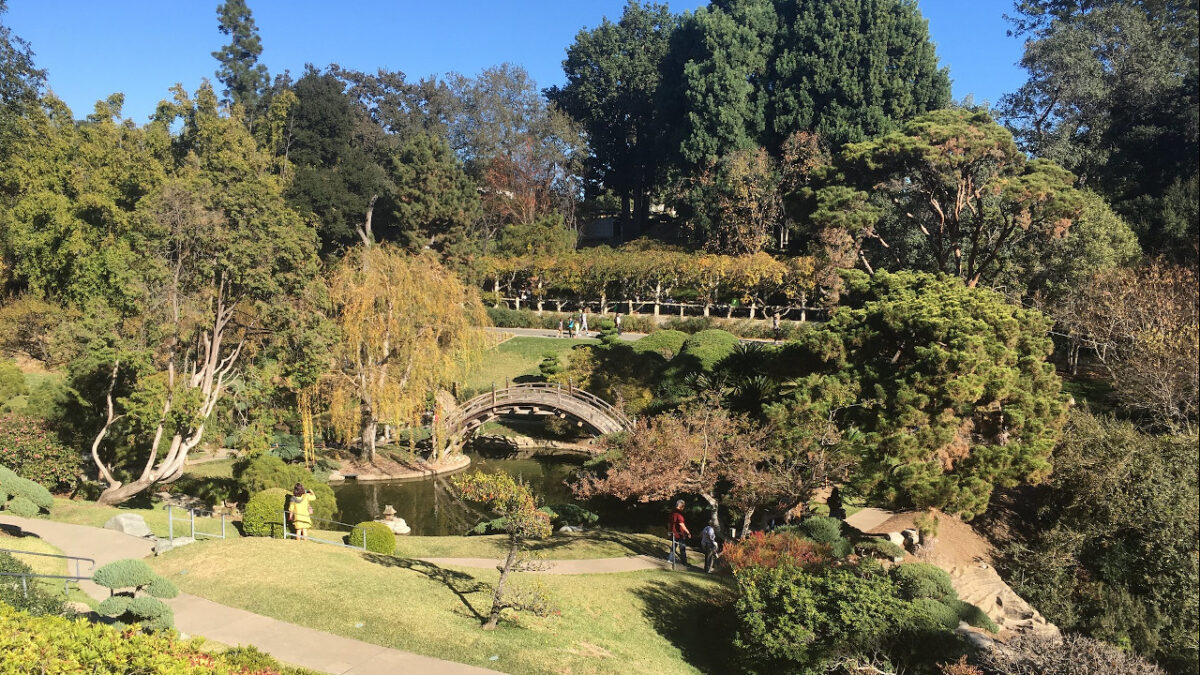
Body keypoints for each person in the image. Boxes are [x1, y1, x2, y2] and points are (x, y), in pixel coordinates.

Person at [667, 500, 690, 568]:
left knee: (674, 546)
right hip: (679, 533)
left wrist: (669, 531)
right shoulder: (679, 513)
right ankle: (684, 563)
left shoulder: (672, 512)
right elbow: (681, 523)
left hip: (673, 532)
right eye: (683, 507)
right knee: (682, 548)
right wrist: (687, 532)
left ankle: (670, 559)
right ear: (681, 506)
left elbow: (669, 523)